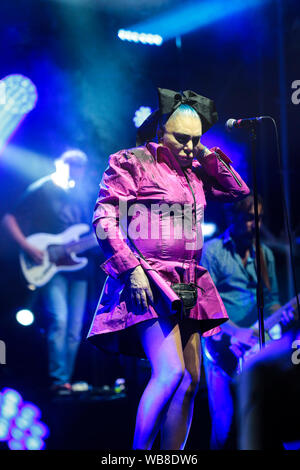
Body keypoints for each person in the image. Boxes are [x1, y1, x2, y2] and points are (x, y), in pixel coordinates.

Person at [87, 87, 250, 450]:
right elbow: (103, 217)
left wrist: (203, 152)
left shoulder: (195, 170)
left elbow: (237, 189)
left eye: (196, 139)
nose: (190, 146)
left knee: (191, 380)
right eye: (182, 138)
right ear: (161, 130)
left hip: (189, 280)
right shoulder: (131, 161)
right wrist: (130, 268)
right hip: (147, 276)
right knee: (171, 371)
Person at [2, 149, 92, 395]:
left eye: (80, 166)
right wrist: (27, 246)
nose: (76, 170)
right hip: (50, 266)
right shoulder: (42, 188)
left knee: (75, 328)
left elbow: (88, 228)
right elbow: (9, 218)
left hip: (78, 267)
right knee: (59, 319)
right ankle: (57, 379)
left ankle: (65, 381)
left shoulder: (81, 194)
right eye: (72, 164)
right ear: (59, 164)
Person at [201, 193, 282, 449]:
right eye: (248, 218)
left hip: (258, 347)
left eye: (258, 219)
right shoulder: (212, 251)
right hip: (222, 345)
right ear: (231, 216)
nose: (254, 225)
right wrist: (236, 333)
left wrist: (280, 318)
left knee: (261, 422)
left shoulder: (264, 253)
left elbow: (271, 300)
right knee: (224, 427)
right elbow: (205, 306)